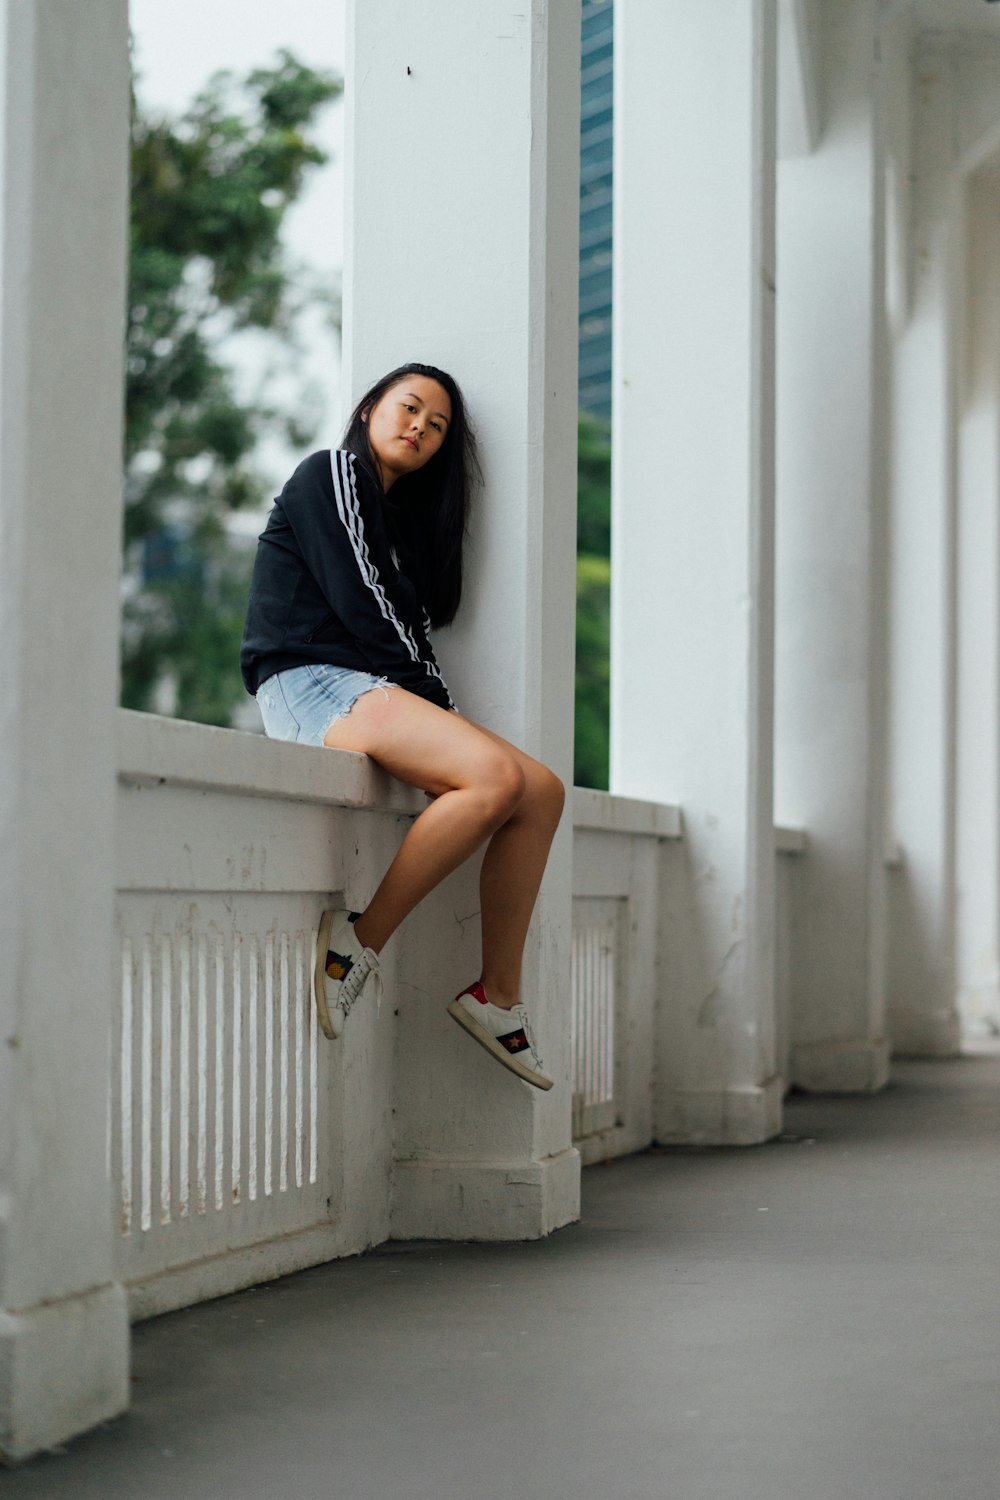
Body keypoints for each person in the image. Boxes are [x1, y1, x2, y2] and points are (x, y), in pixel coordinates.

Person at [240, 363, 565, 1090]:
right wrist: (444, 719)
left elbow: (408, 636)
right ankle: (354, 946)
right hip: (307, 682)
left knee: (539, 791)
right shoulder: (331, 474)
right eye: (409, 408)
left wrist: (439, 714)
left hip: (366, 688)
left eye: (436, 425)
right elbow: (365, 611)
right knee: (494, 778)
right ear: (367, 410)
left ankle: (497, 997)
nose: (419, 427)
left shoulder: (395, 526)